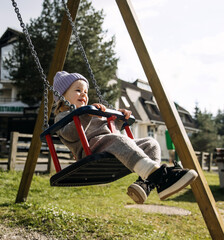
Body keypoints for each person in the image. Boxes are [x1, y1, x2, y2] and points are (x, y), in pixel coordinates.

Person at [53, 71, 198, 204]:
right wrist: (86, 114)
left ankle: (144, 184)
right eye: (78, 90)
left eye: (85, 92)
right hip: (90, 149)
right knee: (118, 140)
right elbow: (71, 134)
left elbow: (108, 127)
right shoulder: (63, 117)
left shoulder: (90, 111)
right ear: (61, 95)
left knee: (151, 143)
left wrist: (119, 118)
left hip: (110, 144)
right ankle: (160, 176)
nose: (84, 95)